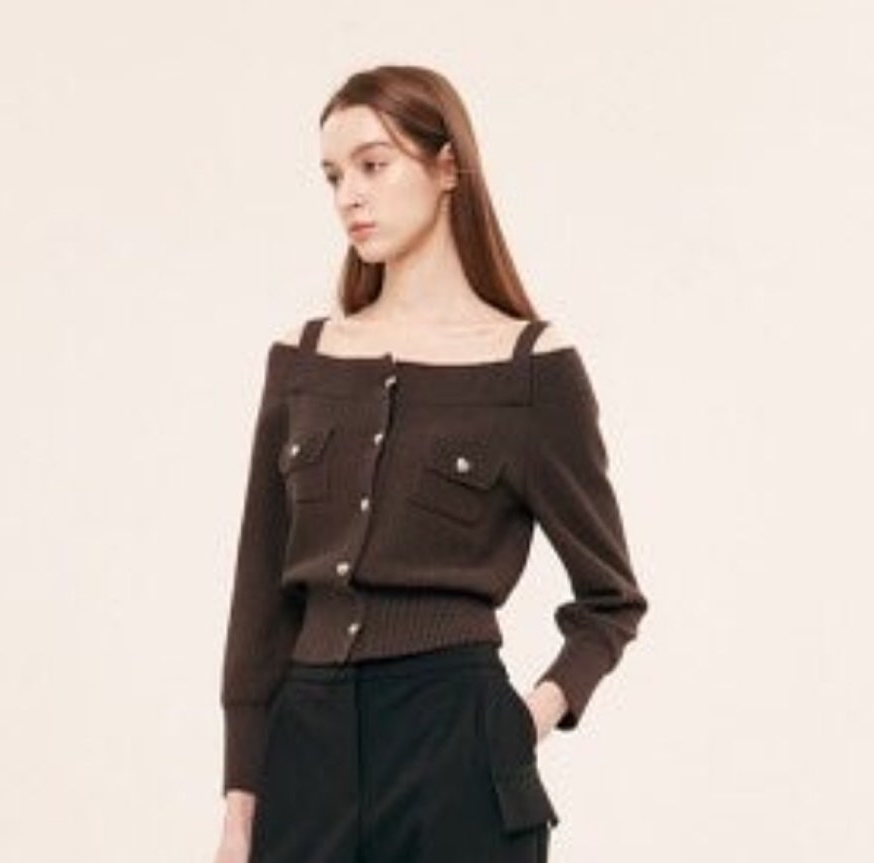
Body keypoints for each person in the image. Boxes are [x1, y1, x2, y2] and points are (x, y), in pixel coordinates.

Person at [213, 64, 649, 863]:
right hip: (305, 748)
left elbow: (610, 598)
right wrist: (240, 803)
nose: (349, 196)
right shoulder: (303, 359)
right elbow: (259, 600)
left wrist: (527, 717)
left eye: (373, 165)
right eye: (333, 175)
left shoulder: (532, 369)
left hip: (455, 749)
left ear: (448, 167)